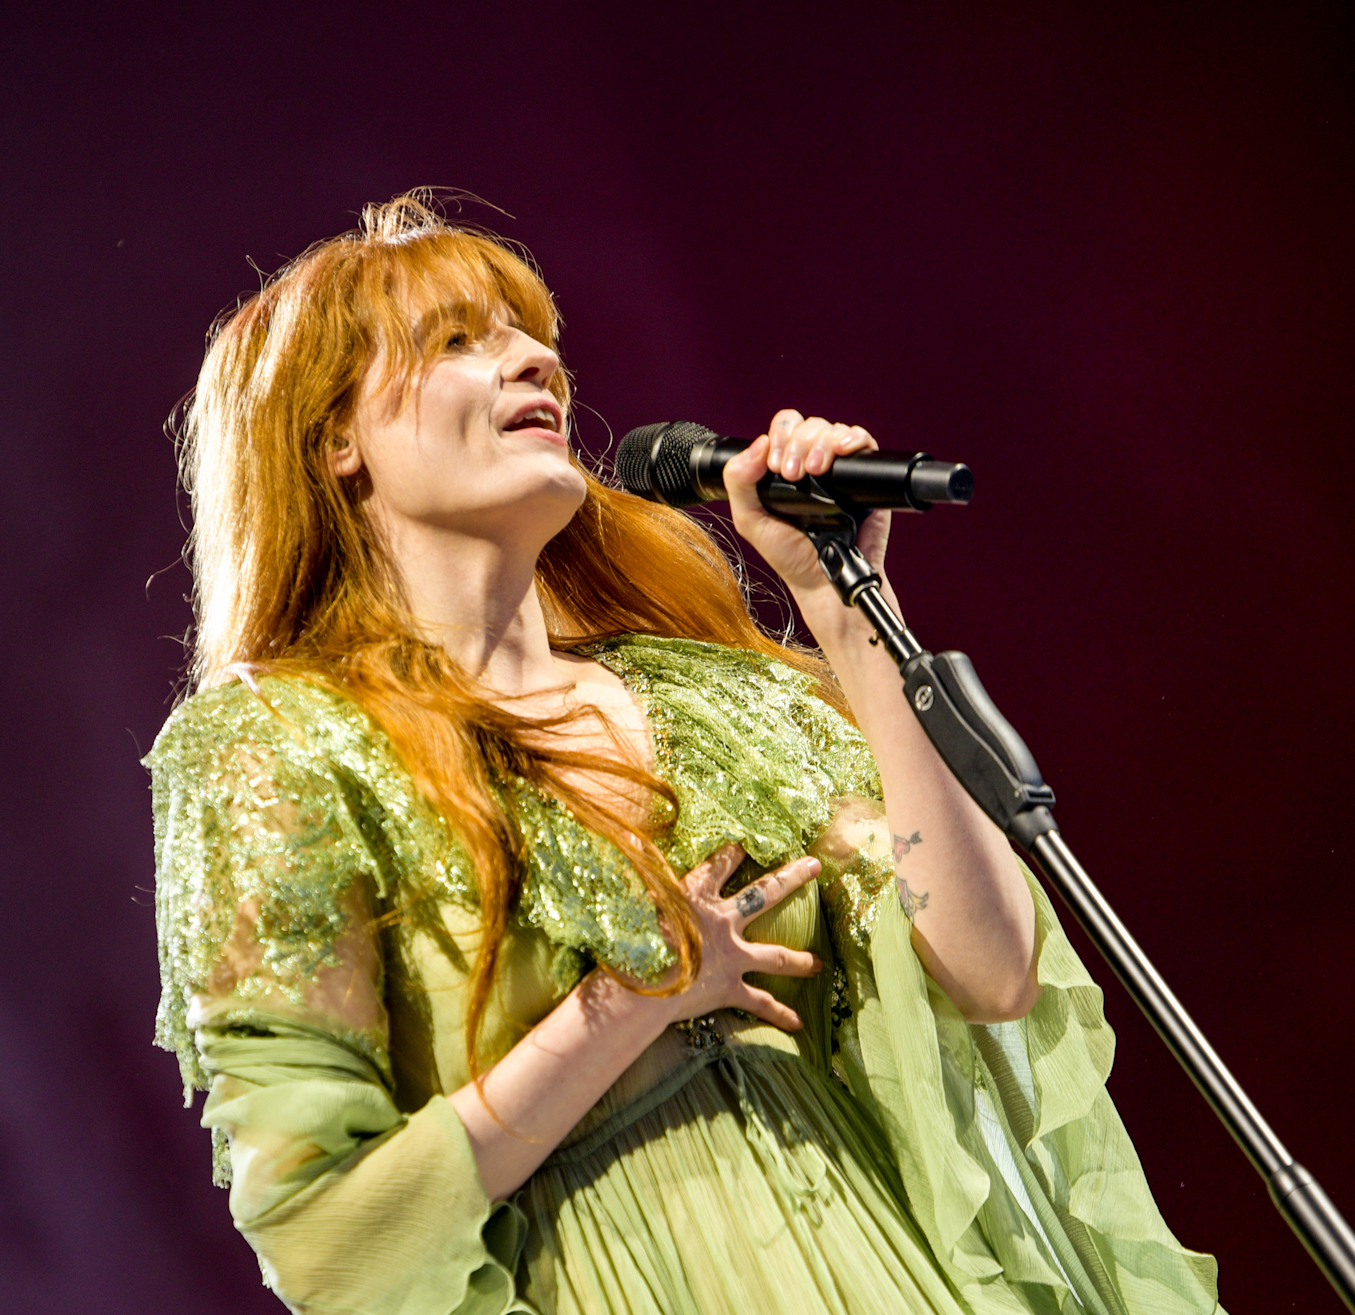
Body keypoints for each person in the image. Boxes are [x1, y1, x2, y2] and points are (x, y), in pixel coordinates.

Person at [148, 192, 1224, 1315]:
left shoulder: (714, 696)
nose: (530, 363)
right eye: (459, 340)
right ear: (335, 443)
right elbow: (330, 1235)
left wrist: (840, 601)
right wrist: (632, 998)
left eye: (533, 339)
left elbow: (993, 970)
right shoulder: (278, 742)